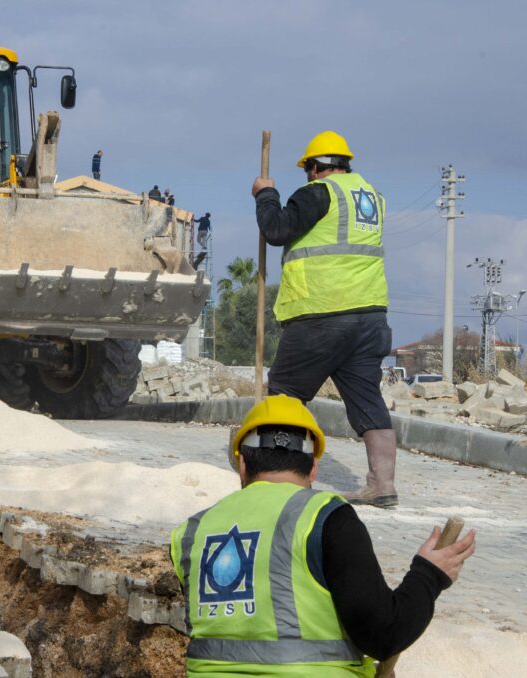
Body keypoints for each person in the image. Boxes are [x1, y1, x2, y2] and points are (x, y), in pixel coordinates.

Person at [170, 395, 476, 676]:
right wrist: (428, 575)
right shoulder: (326, 517)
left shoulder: (191, 533)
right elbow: (383, 636)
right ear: (314, 467)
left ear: (242, 463)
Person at [251, 130, 397, 507]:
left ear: (316, 168)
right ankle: (382, 485)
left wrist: (265, 194)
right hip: (369, 317)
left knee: (285, 392)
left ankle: (278, 475)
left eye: (308, 170)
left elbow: (276, 230)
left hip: (321, 314)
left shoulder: (319, 192)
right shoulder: (372, 197)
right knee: (367, 399)